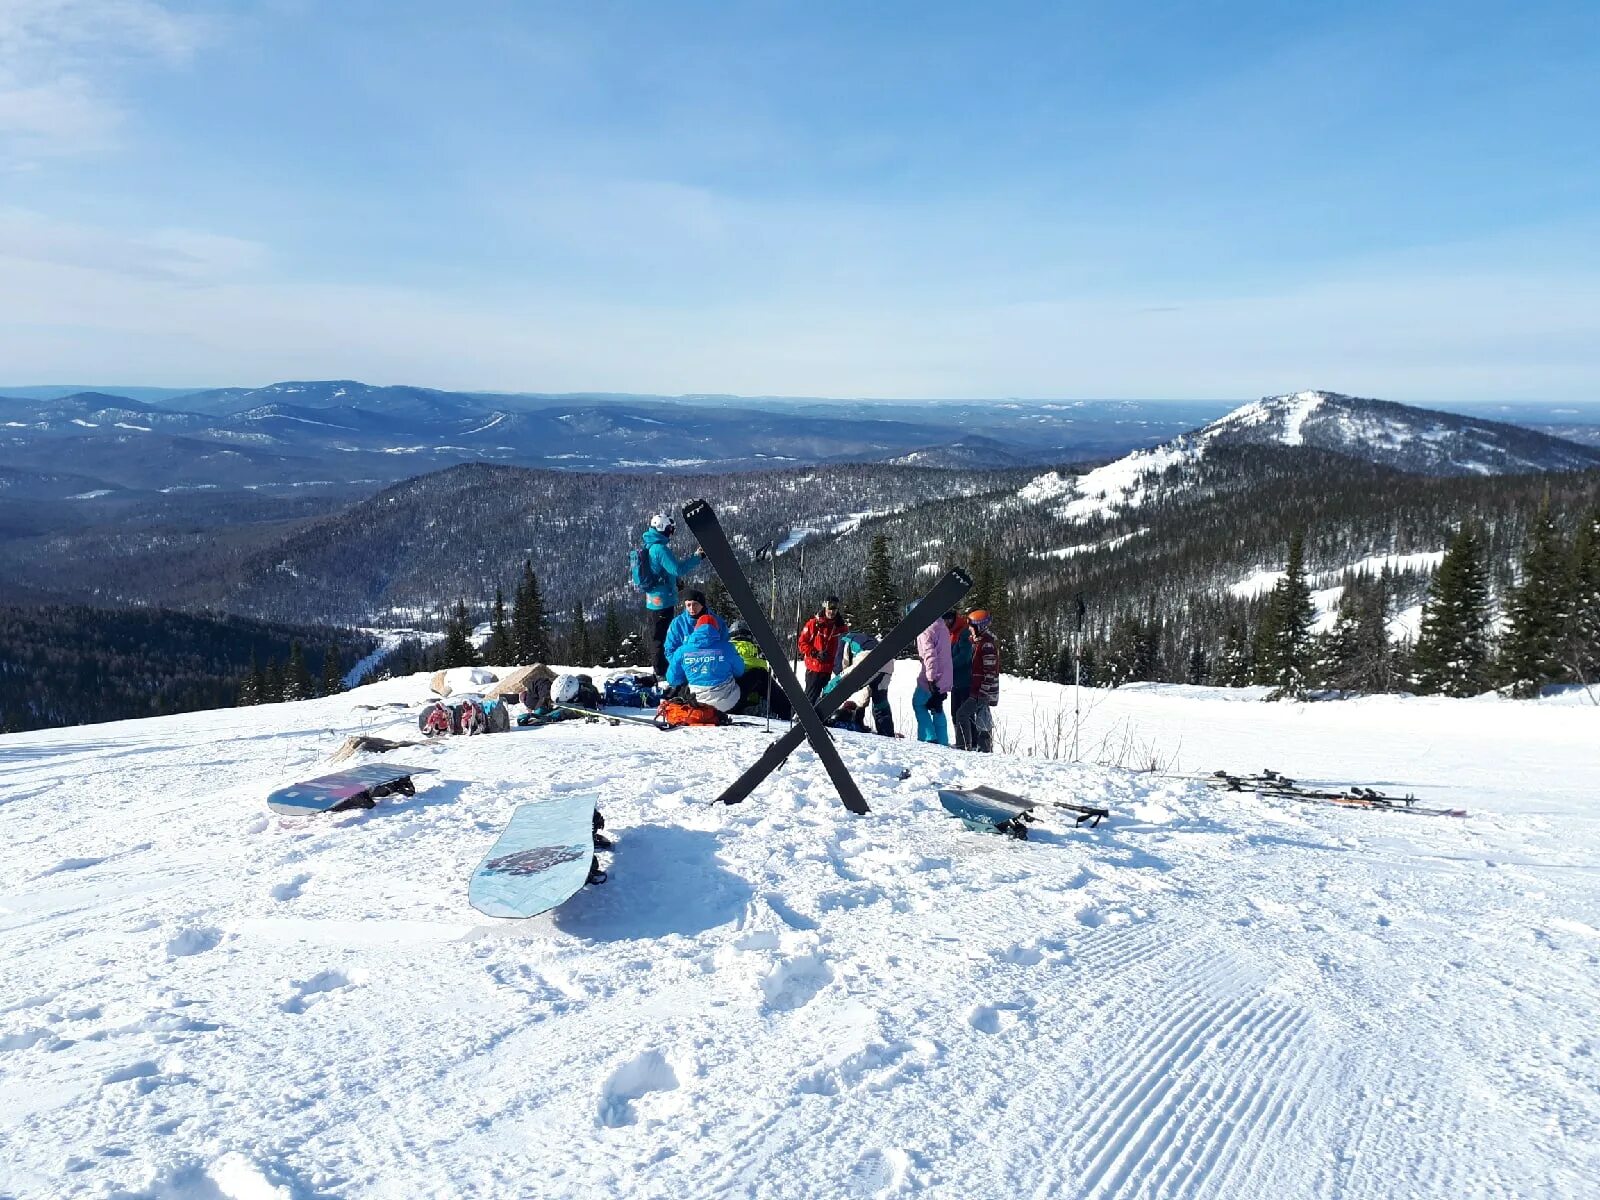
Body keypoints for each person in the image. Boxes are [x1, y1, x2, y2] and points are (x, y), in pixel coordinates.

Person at [638, 512, 703, 676]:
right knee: (663, 636)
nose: (671, 533)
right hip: (663, 601)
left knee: (660, 634)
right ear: (663, 529)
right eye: (670, 529)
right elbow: (677, 568)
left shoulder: (651, 545)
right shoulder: (660, 549)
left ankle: (662, 667)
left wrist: (675, 582)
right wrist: (697, 557)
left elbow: (661, 571)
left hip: (654, 599)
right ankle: (662, 670)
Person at [665, 614, 746, 713]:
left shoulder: (682, 651)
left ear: (696, 629)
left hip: (696, 702)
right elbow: (740, 671)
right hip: (727, 703)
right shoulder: (727, 647)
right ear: (716, 629)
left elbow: (672, 679)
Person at [833, 628, 894, 736]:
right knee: (880, 700)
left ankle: (821, 706)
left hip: (866, 658)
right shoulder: (866, 637)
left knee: (837, 683)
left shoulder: (844, 639)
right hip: (887, 660)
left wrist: (839, 679)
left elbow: (841, 666)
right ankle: (886, 732)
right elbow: (866, 689)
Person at [954, 609, 1000, 752]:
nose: (969, 629)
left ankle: (964, 747)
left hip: (981, 691)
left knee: (962, 714)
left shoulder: (986, 645)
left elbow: (990, 671)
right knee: (982, 718)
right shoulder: (979, 642)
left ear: (980, 627)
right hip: (978, 689)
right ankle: (983, 749)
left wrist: (983, 692)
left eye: (971, 626)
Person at [727, 619, 791, 718]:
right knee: (762, 675)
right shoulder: (756, 649)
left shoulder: (724, 648)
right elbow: (762, 666)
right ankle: (786, 710)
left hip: (725, 696)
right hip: (748, 693)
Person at [913, 609, 955, 745]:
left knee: (918, 703)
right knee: (936, 706)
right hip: (945, 676)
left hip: (932, 677)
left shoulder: (925, 630)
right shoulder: (941, 626)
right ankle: (943, 741)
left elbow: (930, 655)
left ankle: (928, 737)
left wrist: (931, 678)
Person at [798, 595, 847, 705]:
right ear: (825, 606)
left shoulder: (841, 627)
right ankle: (802, 718)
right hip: (814, 668)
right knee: (810, 698)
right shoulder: (814, 623)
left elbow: (845, 646)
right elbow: (802, 643)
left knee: (825, 701)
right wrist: (815, 653)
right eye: (830, 607)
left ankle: (820, 719)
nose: (832, 611)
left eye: (835, 608)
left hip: (830, 669)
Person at [664, 591, 720, 666]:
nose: (692, 608)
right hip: (686, 668)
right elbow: (670, 650)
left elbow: (724, 644)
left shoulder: (716, 621)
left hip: (712, 666)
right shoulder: (677, 623)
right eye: (688, 605)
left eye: (695, 604)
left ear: (702, 605)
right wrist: (682, 667)